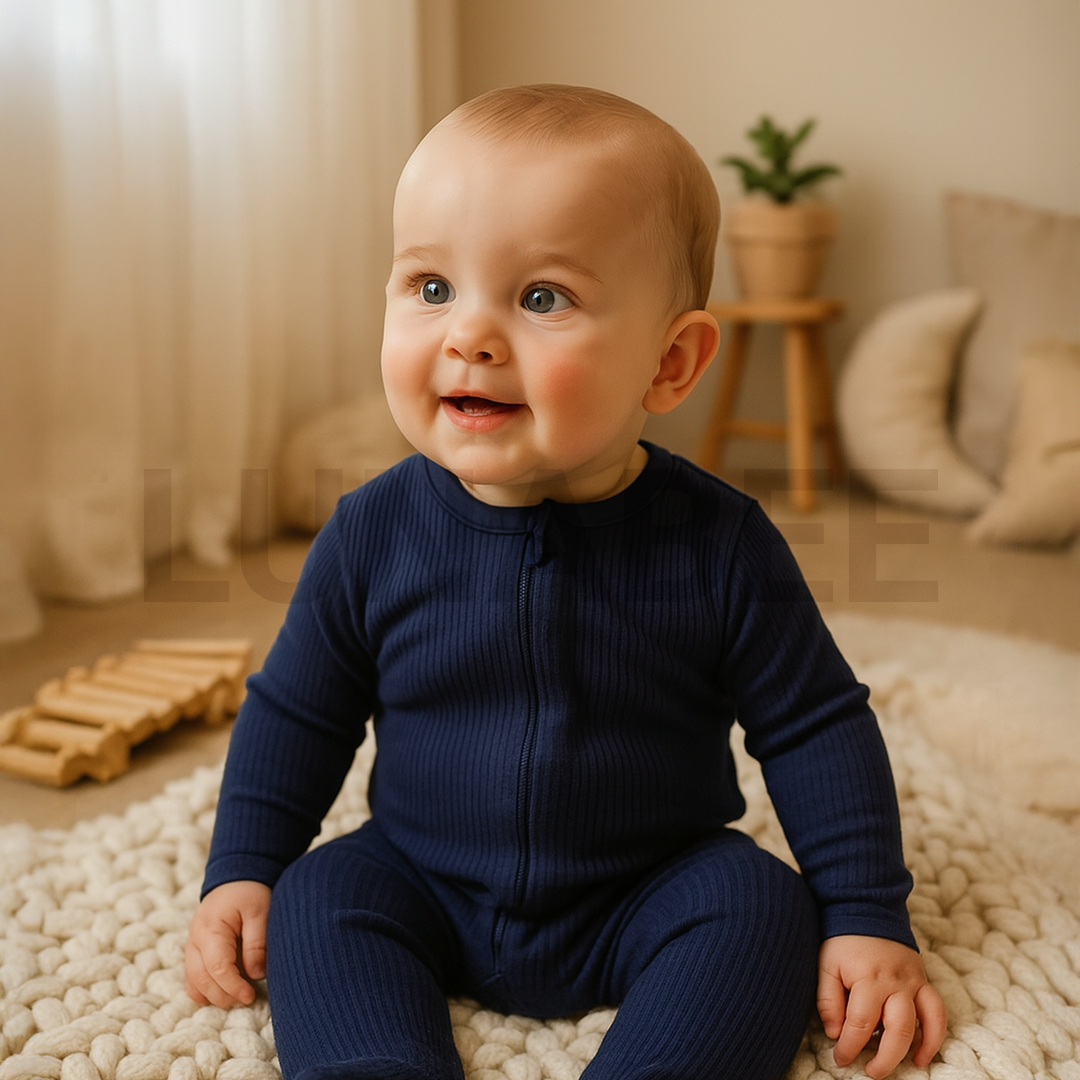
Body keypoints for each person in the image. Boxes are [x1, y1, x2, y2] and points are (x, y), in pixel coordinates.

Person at [185, 84, 946, 1080]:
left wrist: (865, 912)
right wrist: (243, 867)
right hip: (419, 876)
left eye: (542, 298)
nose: (469, 335)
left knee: (764, 906)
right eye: (430, 287)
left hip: (653, 884)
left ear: (670, 362)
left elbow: (814, 725)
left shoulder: (720, 542)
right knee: (320, 897)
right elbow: (298, 712)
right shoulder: (371, 532)